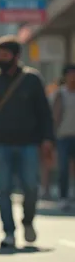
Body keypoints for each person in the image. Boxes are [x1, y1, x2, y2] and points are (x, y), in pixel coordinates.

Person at [0, 35, 54, 249]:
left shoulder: (32, 79)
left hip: (29, 143)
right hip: (0, 144)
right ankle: (9, 233)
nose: (1, 58)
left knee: (30, 187)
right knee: (3, 189)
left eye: (5, 55)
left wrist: (47, 139)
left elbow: (44, 113)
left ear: (17, 56)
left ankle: (28, 221)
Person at [52, 64, 75, 210]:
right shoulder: (60, 94)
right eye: (70, 74)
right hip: (63, 136)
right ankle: (63, 197)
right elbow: (54, 115)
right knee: (63, 168)